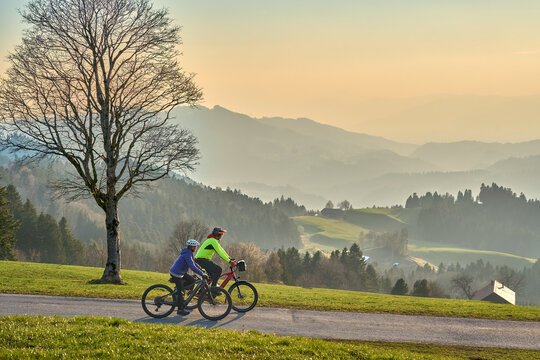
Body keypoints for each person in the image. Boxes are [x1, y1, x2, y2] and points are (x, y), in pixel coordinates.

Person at [169, 239, 207, 316]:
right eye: (195, 247)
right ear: (191, 247)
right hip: (176, 273)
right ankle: (180, 309)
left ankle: (179, 290)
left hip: (181, 272)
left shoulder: (189, 252)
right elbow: (192, 266)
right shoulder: (187, 254)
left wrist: (201, 269)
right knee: (181, 292)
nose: (195, 248)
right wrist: (201, 274)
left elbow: (193, 263)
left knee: (192, 280)